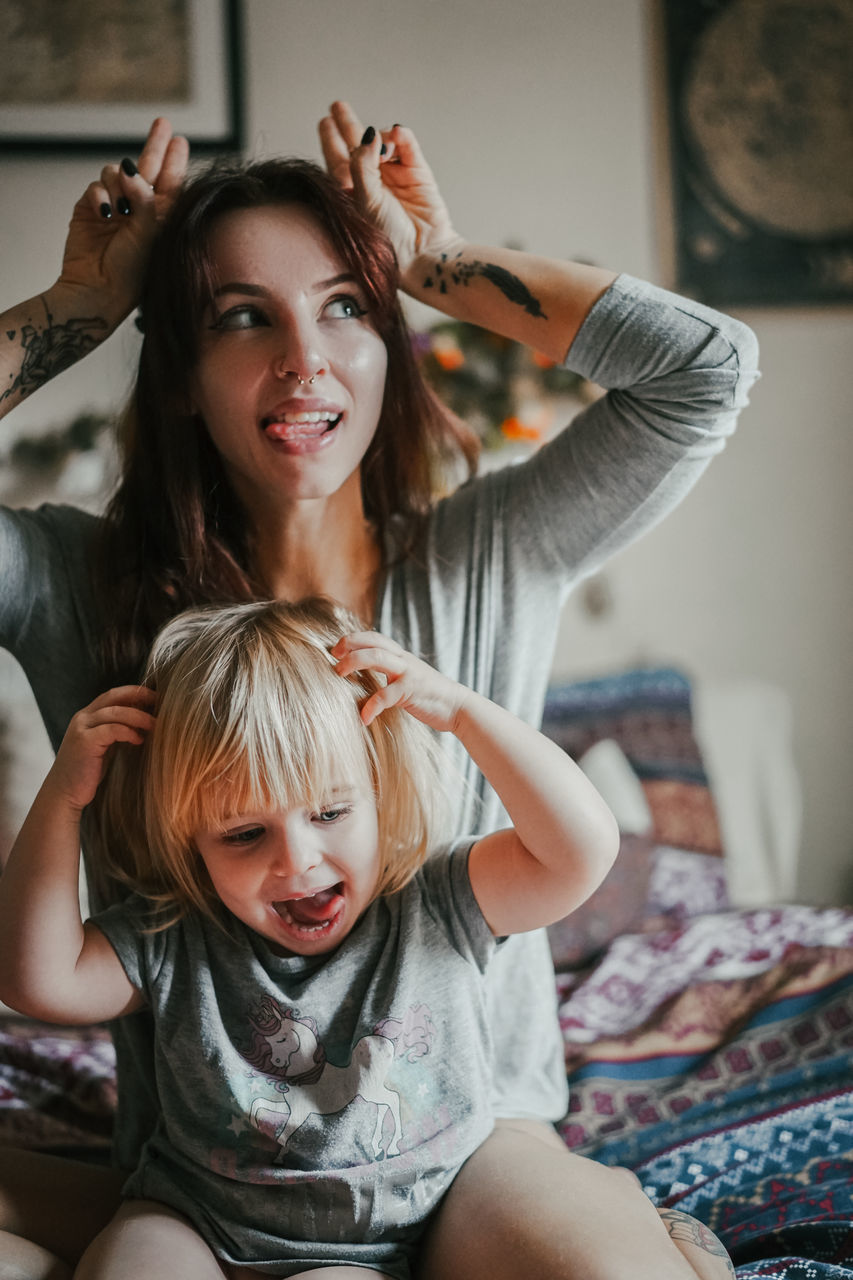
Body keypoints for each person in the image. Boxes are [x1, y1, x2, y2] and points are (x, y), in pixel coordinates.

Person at [0, 101, 756, 1279]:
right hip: (206, 1179)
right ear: (184, 371)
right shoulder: (71, 583)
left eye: (344, 307)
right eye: (242, 318)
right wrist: (81, 309)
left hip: (475, 1141)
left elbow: (706, 368)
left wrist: (429, 264)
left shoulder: (488, 552)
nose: (304, 360)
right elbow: (47, 971)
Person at [0, 593, 625, 1279]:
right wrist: (65, 797)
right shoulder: (178, 933)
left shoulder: (437, 899)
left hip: (375, 1246)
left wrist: (463, 714)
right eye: (243, 833)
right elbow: (37, 979)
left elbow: (580, 852)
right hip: (196, 1218)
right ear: (191, 842)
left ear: (379, 789)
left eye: (329, 811)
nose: (295, 859)